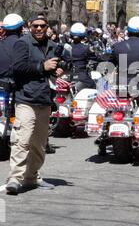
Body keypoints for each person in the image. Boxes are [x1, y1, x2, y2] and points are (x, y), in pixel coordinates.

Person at [6, 13, 63, 195]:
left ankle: (31, 177)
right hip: (26, 99)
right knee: (22, 140)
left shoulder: (53, 46)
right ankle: (15, 178)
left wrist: (58, 69)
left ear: (47, 27)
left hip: (44, 100)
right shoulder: (22, 43)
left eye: (42, 26)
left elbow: (57, 65)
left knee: (39, 144)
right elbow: (18, 67)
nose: (39, 29)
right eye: (35, 26)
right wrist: (42, 67)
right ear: (29, 26)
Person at [66, 22, 97, 92]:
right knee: (93, 85)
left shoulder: (65, 47)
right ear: (83, 35)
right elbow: (95, 58)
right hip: (81, 75)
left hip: (66, 74)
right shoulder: (86, 48)